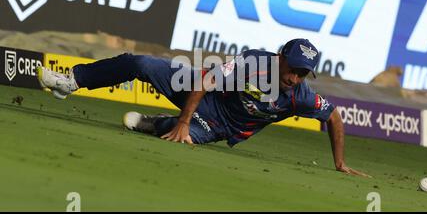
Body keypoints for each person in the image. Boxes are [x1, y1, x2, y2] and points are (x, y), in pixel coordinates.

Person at [37, 38, 370, 177]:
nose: (295, 78)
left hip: (221, 127)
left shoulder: (300, 96)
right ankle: (71, 82)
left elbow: (334, 116)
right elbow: (207, 80)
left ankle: (156, 124)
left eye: (302, 74)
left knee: (184, 137)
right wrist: (184, 119)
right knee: (138, 62)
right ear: (280, 57)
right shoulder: (254, 62)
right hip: (199, 93)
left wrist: (340, 163)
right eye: (293, 69)